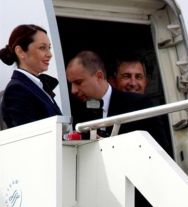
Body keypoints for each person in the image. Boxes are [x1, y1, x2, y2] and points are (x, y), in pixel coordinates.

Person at [66, 50, 172, 207]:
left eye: (79, 82)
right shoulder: (77, 112)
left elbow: (160, 152)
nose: (73, 90)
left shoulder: (140, 105)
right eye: (71, 84)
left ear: (99, 76)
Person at [0, 24, 62, 128]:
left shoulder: (36, 86)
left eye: (49, 48)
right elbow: (28, 136)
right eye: (42, 48)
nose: (49, 54)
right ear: (20, 52)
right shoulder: (16, 90)